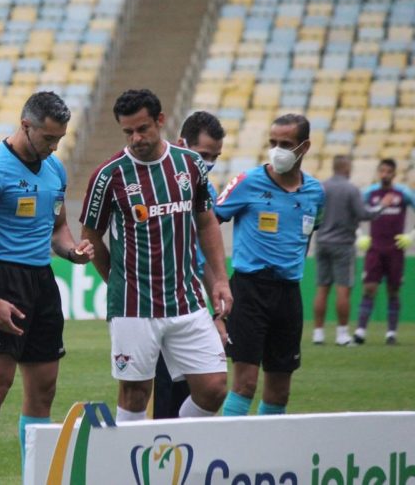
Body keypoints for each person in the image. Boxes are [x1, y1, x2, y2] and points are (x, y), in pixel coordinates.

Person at [0, 92, 93, 485]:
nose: (54, 146)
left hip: (43, 281)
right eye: (48, 138)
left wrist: (73, 251)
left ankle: (34, 479)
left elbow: (57, 228)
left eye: (59, 139)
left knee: (44, 390)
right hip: (3, 279)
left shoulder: (55, 170)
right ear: (26, 126)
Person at [80, 89, 232, 426]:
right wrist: (116, 279)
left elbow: (206, 221)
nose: (136, 138)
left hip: (186, 300)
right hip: (134, 306)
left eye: (143, 128)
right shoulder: (109, 176)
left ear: (160, 121)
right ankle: (132, 470)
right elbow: (90, 237)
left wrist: (220, 278)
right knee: (135, 394)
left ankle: (173, 444)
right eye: (128, 132)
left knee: (214, 387)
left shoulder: (190, 164)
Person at [217, 113, 324, 416]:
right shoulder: (247, 182)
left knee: (280, 389)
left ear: (304, 147)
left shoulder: (316, 192)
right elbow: (209, 222)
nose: (277, 150)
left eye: (286, 144)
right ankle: (229, 454)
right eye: (273, 142)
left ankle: (266, 456)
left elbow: (308, 232)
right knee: (245, 383)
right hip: (250, 290)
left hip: (288, 293)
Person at [153, 110, 229, 419]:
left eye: (215, 156)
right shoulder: (153, 178)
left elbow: (203, 255)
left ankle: (180, 454)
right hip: (156, 302)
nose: (208, 162)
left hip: (191, 301)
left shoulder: (204, 187)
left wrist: (218, 308)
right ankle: (157, 455)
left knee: (204, 386)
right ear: (182, 143)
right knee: (162, 391)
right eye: (203, 154)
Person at [312, 155, 392, 345]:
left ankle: (318, 333)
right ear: (347, 168)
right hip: (343, 245)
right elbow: (364, 214)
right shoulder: (351, 189)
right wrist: (382, 206)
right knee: (343, 289)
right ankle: (341, 334)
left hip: (322, 242)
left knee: (322, 289)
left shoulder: (321, 187)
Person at [353, 158, 415, 345]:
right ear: (378, 173)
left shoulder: (403, 193)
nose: (385, 174)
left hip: (396, 249)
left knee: (393, 290)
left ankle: (391, 334)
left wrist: (411, 235)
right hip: (375, 248)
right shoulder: (369, 193)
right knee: (369, 288)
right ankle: (360, 332)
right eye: (382, 171)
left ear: (394, 174)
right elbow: (353, 213)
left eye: (389, 171)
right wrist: (359, 235)